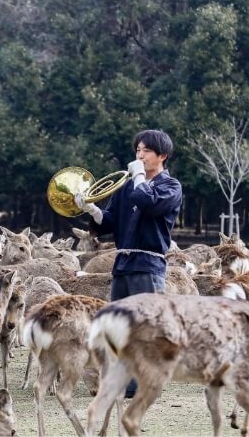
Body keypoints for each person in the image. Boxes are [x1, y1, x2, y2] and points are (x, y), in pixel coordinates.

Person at [73, 129, 183, 398]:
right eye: (137, 150)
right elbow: (108, 223)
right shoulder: (126, 187)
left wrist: (138, 177)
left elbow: (147, 202)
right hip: (122, 263)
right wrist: (91, 208)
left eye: (146, 150)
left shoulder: (171, 187)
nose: (139, 154)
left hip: (148, 263)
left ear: (162, 156)